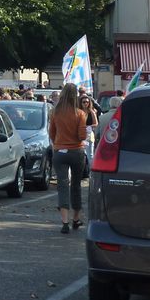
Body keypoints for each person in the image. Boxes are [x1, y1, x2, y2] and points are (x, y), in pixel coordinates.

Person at [48, 82, 87, 234]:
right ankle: (76, 219)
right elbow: (82, 136)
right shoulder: (80, 114)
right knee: (76, 185)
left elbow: (52, 133)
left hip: (60, 152)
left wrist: (59, 142)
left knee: (62, 185)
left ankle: (64, 222)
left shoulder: (55, 112)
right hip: (76, 151)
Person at [79, 92, 98, 166]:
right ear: (81, 103)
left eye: (87, 102)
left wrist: (89, 126)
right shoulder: (78, 112)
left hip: (89, 135)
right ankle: (83, 172)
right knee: (81, 154)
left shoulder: (91, 112)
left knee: (90, 155)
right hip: (80, 135)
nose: (85, 104)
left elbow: (96, 123)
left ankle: (91, 172)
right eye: (84, 102)